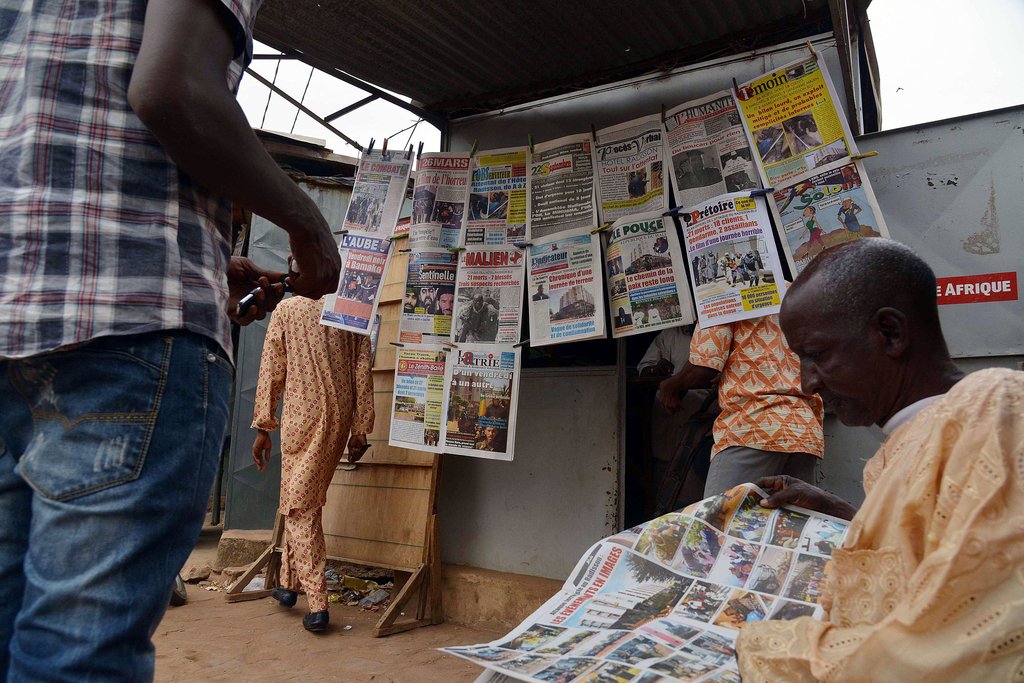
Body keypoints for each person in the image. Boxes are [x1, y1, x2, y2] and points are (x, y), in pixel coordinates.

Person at [0, 1, 340, 679]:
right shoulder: (315, 312)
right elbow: (171, 87)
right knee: (76, 655)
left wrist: (264, 420)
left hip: (16, 317)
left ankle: (313, 592)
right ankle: (315, 595)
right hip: (129, 335)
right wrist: (305, 221)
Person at [736, 238, 1024, 680]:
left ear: (890, 333)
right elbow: (931, 551)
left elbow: (959, 642)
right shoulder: (909, 441)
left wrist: (759, 644)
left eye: (816, 355)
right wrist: (844, 513)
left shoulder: (995, 408)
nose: (806, 383)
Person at [251, 295, 374, 633]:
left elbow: (272, 368)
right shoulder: (352, 309)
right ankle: (289, 585)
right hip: (339, 419)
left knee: (299, 508)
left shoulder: (287, 310)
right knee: (298, 500)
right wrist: (360, 427)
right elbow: (362, 366)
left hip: (301, 419)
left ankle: (318, 604)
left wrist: (263, 424)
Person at [658, 311, 823, 497]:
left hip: (753, 426)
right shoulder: (795, 294)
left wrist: (671, 386)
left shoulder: (722, 292)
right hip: (803, 429)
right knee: (786, 524)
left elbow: (703, 368)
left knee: (721, 520)